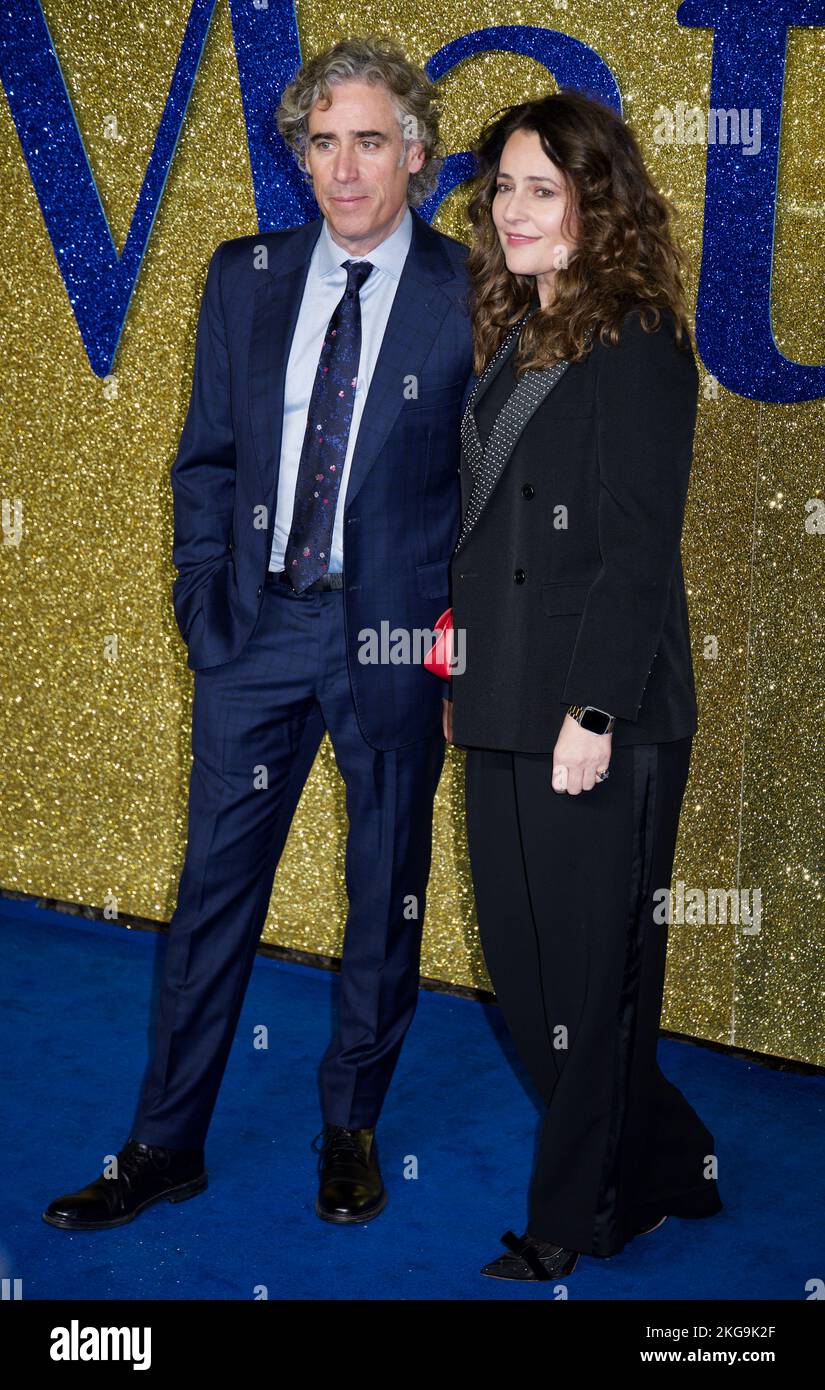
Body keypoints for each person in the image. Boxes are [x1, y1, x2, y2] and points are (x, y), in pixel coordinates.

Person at [43, 36, 473, 1232]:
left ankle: (352, 1130)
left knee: (384, 891)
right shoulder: (245, 275)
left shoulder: (467, 291)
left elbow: (485, 503)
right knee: (211, 895)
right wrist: (202, 603)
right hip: (257, 633)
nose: (344, 169)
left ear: (419, 156)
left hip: (391, 643)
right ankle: (162, 1143)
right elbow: (208, 460)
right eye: (322, 141)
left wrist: (457, 650)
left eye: (370, 141)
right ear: (299, 154)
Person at [443, 90, 723, 1281]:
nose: (513, 209)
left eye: (540, 188)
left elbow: (636, 545)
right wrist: (462, 661)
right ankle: (673, 1154)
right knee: (528, 972)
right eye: (504, 186)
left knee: (592, 982)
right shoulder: (514, 328)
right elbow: (482, 521)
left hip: (600, 715)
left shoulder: (640, 337)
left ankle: (584, 1214)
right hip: (503, 696)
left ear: (595, 203)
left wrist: (593, 710)